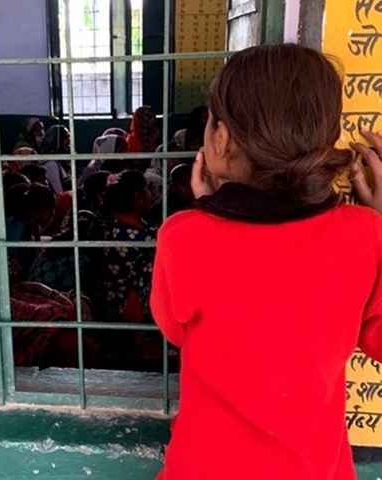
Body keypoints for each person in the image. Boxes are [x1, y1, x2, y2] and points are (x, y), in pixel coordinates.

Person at [150, 44, 382, 480]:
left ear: (221, 137)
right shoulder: (364, 235)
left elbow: (175, 329)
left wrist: (208, 215)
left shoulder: (183, 237)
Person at [100, 170, 156, 325]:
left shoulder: (116, 224)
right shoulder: (136, 235)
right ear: (138, 197)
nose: (150, 194)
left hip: (117, 300)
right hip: (130, 304)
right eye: (147, 189)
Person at [5, 183, 56, 282]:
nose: (53, 214)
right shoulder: (15, 231)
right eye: (50, 211)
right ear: (34, 212)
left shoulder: (31, 228)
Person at [38, 125, 72, 194]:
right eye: (66, 137)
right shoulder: (51, 165)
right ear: (56, 140)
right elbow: (59, 193)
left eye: (69, 137)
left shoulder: (62, 162)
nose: (69, 141)